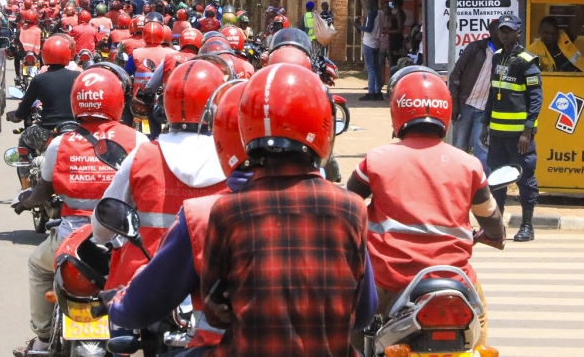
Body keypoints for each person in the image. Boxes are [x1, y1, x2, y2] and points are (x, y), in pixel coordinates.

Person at [194, 63, 376, 357]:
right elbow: (365, 311)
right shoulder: (352, 209)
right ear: (322, 126)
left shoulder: (227, 211)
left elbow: (215, 311)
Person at [346, 68, 504, 345]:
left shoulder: (375, 161)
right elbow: (490, 218)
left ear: (398, 111)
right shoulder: (468, 165)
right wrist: (494, 234)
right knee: (478, 336)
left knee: (354, 332)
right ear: (445, 112)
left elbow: (348, 206)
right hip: (454, 281)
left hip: (389, 282)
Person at [13, 69, 148, 357]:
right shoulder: (138, 141)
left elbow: (42, 192)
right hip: (120, 243)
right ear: (118, 101)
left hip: (69, 240)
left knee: (39, 267)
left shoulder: (60, 143)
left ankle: (42, 339)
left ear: (77, 102)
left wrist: (25, 201)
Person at [105, 79, 250, 348]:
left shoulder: (203, 214)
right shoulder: (348, 211)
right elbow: (355, 316)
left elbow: (104, 224)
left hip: (145, 280)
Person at [94, 59, 230, 289]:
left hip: (144, 283)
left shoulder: (143, 154)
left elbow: (101, 228)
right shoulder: (232, 160)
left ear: (167, 102)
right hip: (213, 287)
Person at [479, 14, 542, 241]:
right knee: (497, 180)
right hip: (497, 133)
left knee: (525, 179)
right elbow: (492, 94)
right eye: (501, 30)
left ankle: (527, 226)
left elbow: (536, 99)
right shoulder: (496, 57)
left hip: (519, 136)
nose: (504, 34)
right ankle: (498, 227)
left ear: (518, 33)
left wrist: (527, 131)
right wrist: (485, 125)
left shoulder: (527, 60)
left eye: (508, 30)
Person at [448, 19, 500, 171]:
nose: (503, 35)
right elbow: (455, 74)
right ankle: (457, 182)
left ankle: (482, 186)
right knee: (459, 147)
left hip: (485, 110)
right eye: (500, 31)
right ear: (491, 33)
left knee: (482, 147)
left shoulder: (506, 55)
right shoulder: (476, 48)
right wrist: (455, 104)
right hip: (465, 106)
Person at [7, 37, 78, 128]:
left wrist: (17, 116)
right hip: (75, 129)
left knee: (25, 139)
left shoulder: (39, 79)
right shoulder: (78, 76)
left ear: (44, 54)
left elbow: (26, 105)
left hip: (48, 128)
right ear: (69, 54)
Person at [526, 7, 584, 73]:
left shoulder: (565, 37)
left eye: (554, 32)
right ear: (539, 31)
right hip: (555, 82)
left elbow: (579, 19)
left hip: (582, 78)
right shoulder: (532, 50)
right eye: (546, 32)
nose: (550, 36)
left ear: (558, 32)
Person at [357, 0, 384, 101]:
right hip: (377, 43)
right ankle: (378, 92)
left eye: (369, 2)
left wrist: (358, 26)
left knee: (370, 69)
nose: (368, 4)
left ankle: (371, 92)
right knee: (377, 68)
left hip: (368, 43)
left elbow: (368, 29)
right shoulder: (381, 13)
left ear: (373, 2)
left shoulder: (372, 13)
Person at [14, 9, 43, 85]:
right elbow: (42, 41)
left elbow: (16, 40)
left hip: (23, 54)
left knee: (16, 57)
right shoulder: (39, 30)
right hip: (36, 54)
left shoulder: (21, 30)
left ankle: (17, 75)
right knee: (42, 59)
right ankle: (43, 74)